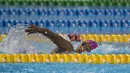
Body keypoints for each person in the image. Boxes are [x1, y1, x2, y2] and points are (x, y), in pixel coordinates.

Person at [25, 25, 98, 54]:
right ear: (81, 44)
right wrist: (39, 30)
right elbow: (52, 35)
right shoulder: (68, 47)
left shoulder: (71, 52)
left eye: (88, 49)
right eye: (85, 46)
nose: (83, 49)